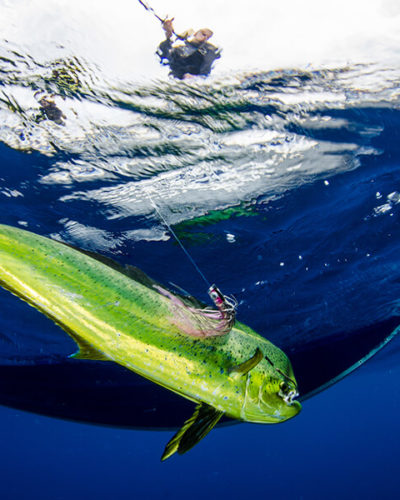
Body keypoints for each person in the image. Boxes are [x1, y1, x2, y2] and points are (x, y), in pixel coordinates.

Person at [157, 18, 221, 80]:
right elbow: (165, 55)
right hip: (177, 78)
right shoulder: (179, 47)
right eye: (203, 34)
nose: (205, 38)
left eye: (208, 37)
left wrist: (196, 77)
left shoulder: (208, 50)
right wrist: (168, 34)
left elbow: (206, 69)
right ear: (195, 33)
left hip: (194, 80)